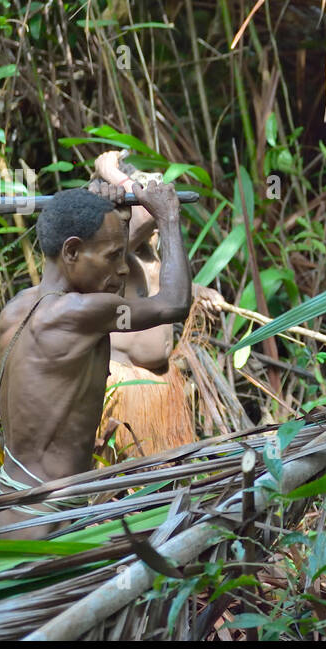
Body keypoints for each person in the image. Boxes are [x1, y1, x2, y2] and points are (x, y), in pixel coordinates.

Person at [0, 176, 190, 540]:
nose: (125, 268)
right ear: (70, 252)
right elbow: (174, 303)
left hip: (11, 507)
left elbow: (110, 279)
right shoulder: (82, 313)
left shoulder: (17, 309)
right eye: (114, 256)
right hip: (45, 521)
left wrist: (118, 223)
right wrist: (168, 217)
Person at [93, 151, 196, 458]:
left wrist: (202, 292)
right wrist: (109, 171)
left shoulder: (149, 252)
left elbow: (165, 285)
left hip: (161, 386)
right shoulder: (114, 252)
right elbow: (152, 213)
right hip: (126, 388)